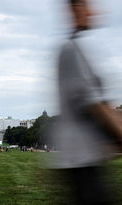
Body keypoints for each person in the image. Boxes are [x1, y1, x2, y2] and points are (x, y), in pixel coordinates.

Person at [55, 0, 122, 204]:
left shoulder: (75, 48)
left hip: (84, 158)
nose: (93, 12)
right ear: (75, 9)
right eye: (88, 5)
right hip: (81, 160)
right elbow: (97, 105)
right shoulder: (73, 50)